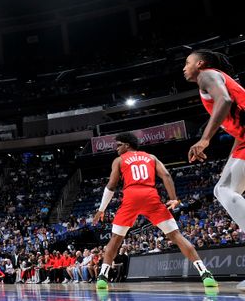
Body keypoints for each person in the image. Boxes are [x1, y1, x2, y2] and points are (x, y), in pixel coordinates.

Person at [92, 132, 217, 290]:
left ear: (127, 145)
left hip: (131, 196)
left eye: (118, 145)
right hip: (150, 196)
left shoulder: (119, 160)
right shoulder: (151, 157)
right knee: (176, 235)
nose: (116, 149)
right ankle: (205, 273)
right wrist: (173, 198)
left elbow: (111, 186)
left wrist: (101, 209)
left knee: (115, 239)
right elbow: (166, 175)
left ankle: (102, 276)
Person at [183, 49, 245, 289]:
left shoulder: (207, 75)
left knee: (225, 191)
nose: (184, 67)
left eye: (187, 63)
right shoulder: (213, 78)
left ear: (200, 63)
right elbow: (240, 135)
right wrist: (228, 164)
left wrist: (204, 139)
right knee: (223, 189)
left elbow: (224, 101)